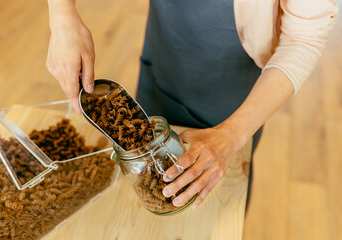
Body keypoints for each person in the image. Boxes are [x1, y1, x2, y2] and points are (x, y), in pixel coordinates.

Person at [46, 0, 338, 210]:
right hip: (163, 50)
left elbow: (304, 38)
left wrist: (233, 134)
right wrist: (61, 14)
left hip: (231, 85)